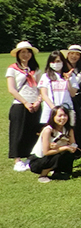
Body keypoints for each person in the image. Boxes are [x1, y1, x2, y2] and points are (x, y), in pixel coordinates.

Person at [7, 41, 42, 171]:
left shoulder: (35, 69)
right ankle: (17, 159)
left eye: (28, 52)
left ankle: (30, 157)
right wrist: (25, 102)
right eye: (23, 52)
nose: (26, 54)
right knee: (18, 132)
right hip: (20, 104)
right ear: (18, 54)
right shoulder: (12, 69)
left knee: (33, 131)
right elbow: (12, 89)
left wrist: (38, 101)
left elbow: (40, 87)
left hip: (35, 104)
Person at [28, 106, 77, 182]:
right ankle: (43, 175)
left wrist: (67, 147)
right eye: (60, 116)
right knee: (57, 155)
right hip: (39, 160)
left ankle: (59, 172)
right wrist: (64, 147)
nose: (63, 118)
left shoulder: (69, 130)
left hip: (56, 152)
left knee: (68, 154)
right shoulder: (48, 130)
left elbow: (73, 145)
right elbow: (46, 152)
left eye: (65, 115)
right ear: (53, 117)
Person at [38, 50, 79, 126]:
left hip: (66, 108)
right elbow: (44, 95)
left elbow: (73, 94)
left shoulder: (71, 75)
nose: (55, 64)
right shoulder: (46, 76)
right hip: (50, 110)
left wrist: (68, 80)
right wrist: (54, 109)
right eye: (53, 62)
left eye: (58, 61)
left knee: (67, 133)